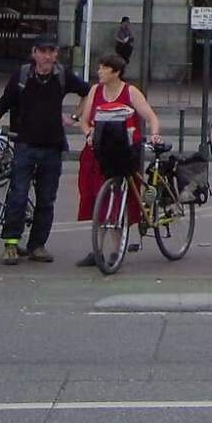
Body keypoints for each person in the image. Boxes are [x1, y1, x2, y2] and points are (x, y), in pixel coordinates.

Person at [0, 37, 88, 265]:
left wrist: (76, 117)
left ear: (56, 55)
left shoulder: (62, 75)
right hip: (25, 144)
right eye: (42, 51)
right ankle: (11, 243)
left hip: (53, 145)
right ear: (34, 53)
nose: (47, 56)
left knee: (46, 199)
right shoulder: (22, 75)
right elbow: (4, 102)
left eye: (51, 51)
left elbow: (88, 92)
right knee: (18, 195)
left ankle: (37, 245)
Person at [75, 53, 160, 267]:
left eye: (104, 68)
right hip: (98, 151)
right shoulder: (95, 91)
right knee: (97, 199)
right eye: (100, 68)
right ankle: (98, 249)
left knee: (119, 199)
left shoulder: (130, 92)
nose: (99, 72)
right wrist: (88, 134)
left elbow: (150, 116)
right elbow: (85, 121)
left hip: (123, 151)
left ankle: (116, 248)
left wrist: (154, 133)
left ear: (116, 72)